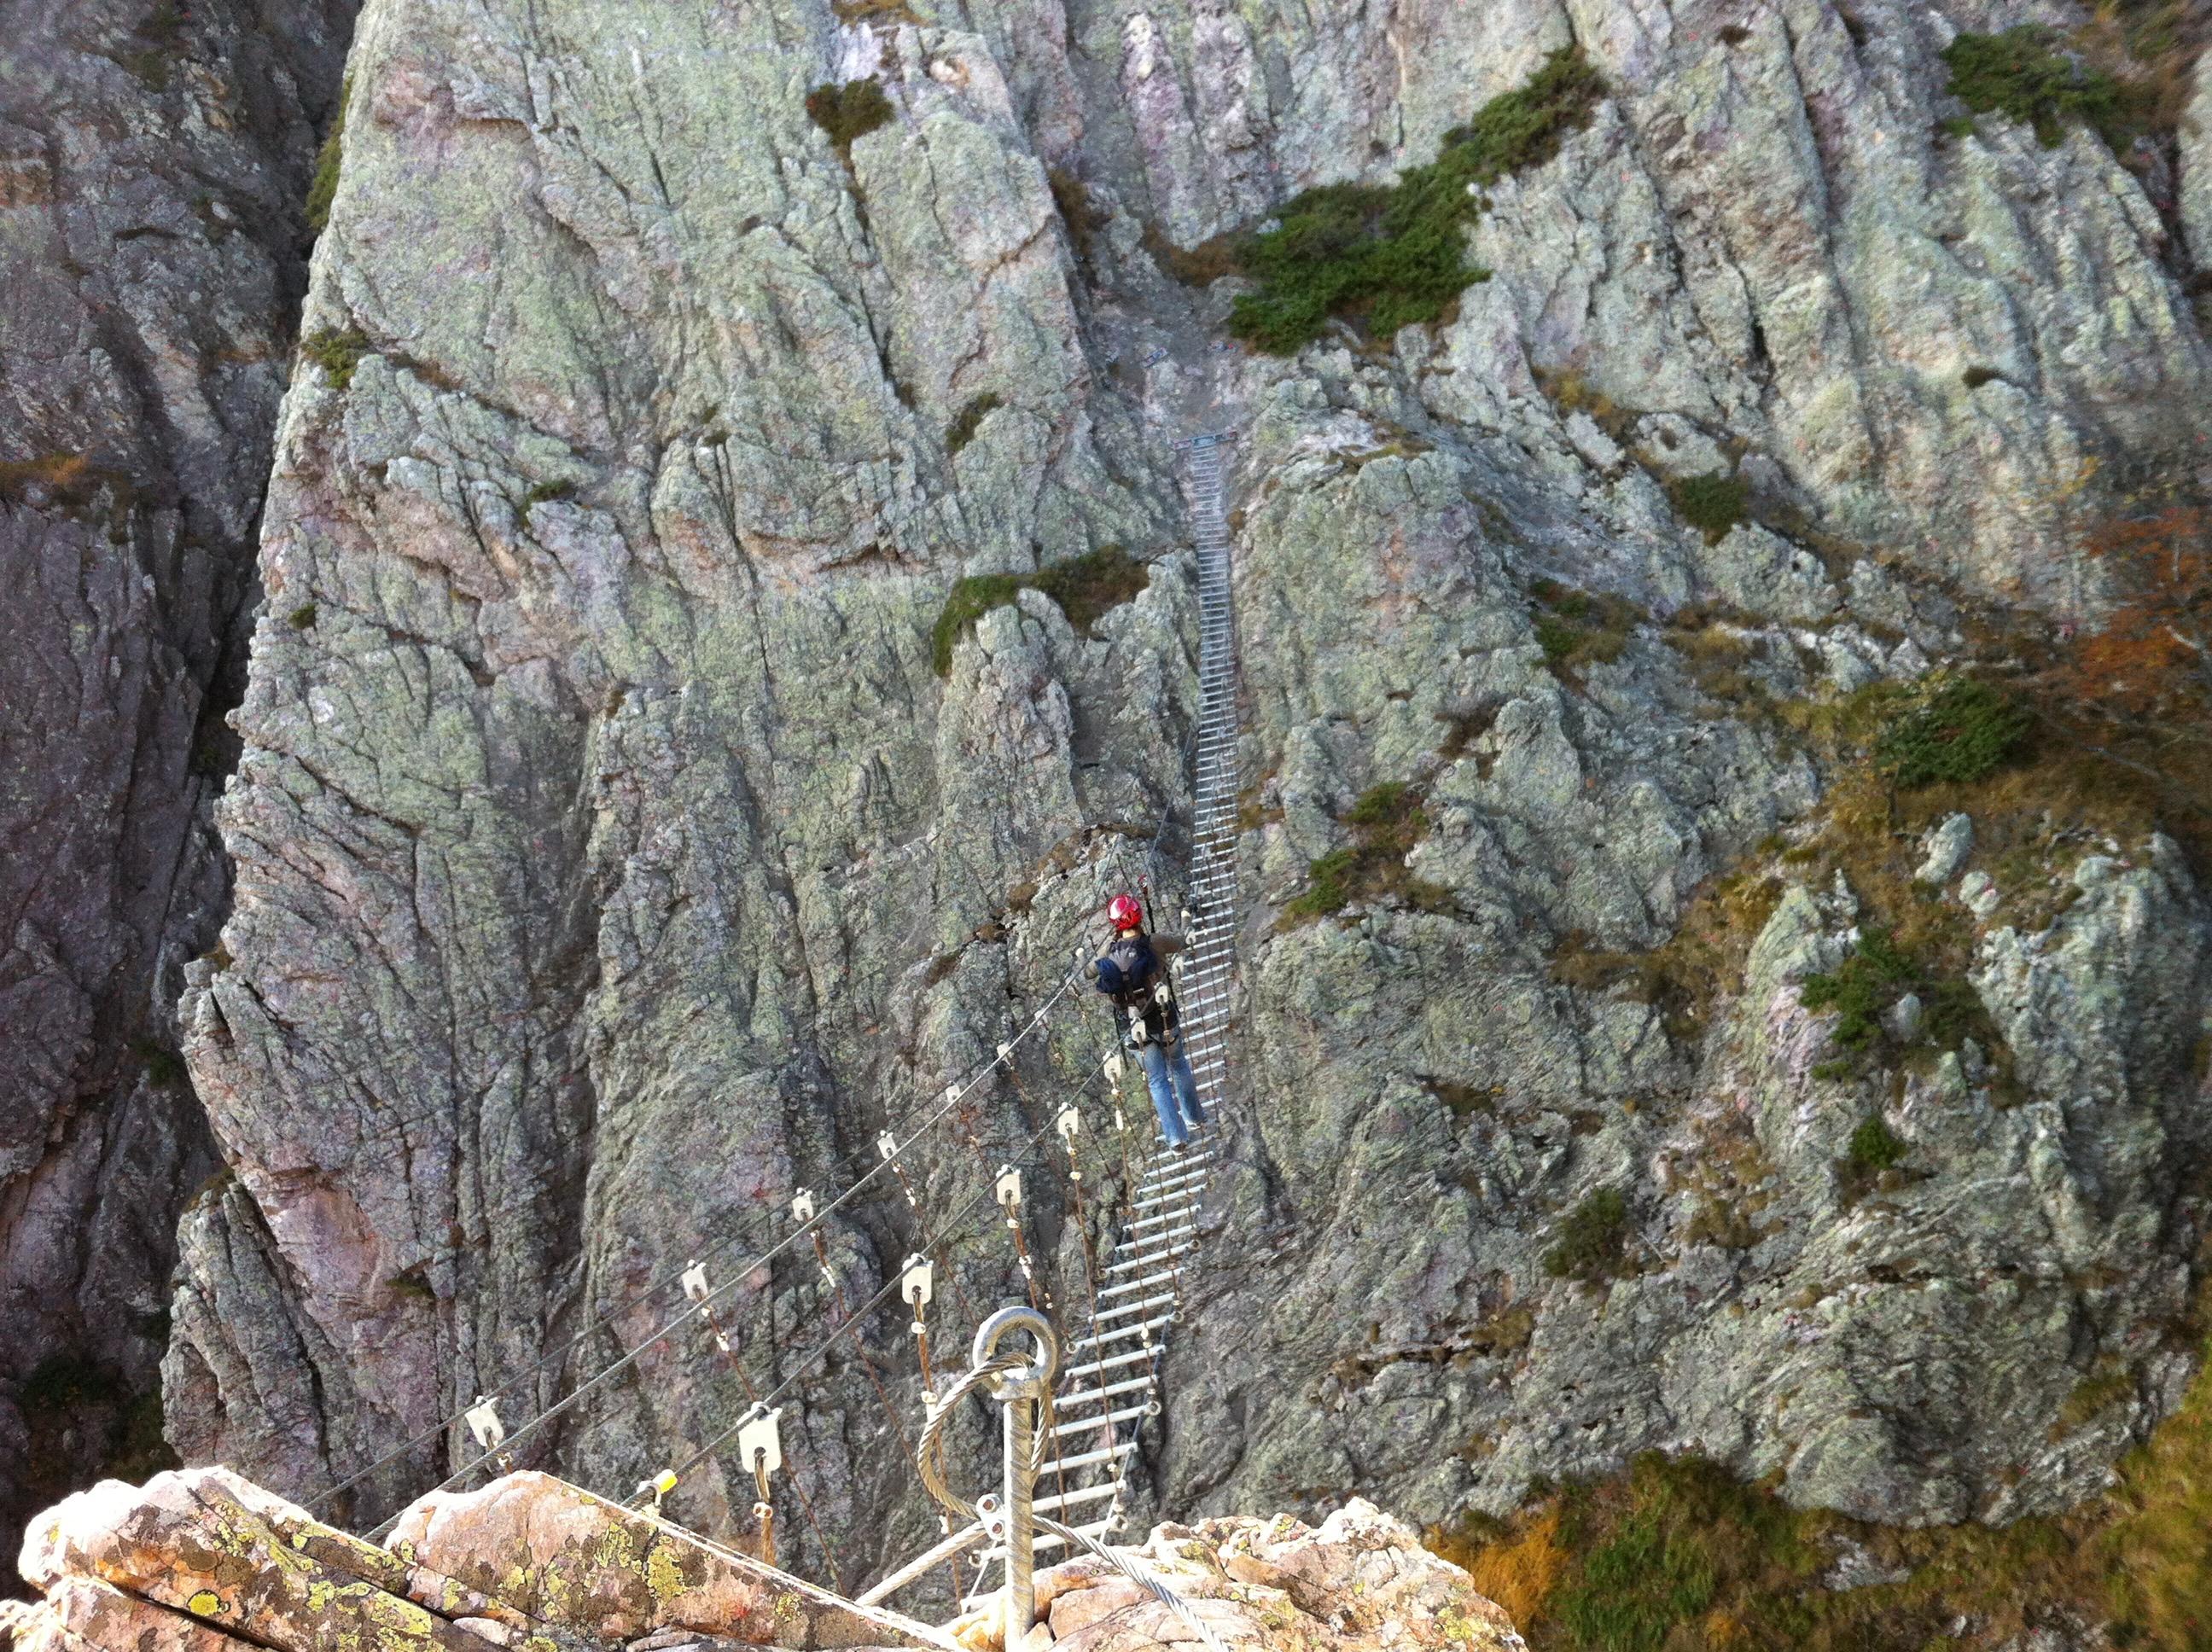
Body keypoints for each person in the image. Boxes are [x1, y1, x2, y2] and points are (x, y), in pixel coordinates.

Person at [1092, 893, 1207, 1149]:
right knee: (1178, 1065)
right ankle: (1195, 1118)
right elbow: (1183, 941)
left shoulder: (1107, 954)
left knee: (1156, 1081)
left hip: (1132, 1029)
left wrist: (1082, 958)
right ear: (1139, 916)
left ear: (1114, 923)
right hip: (1163, 1018)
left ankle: (1176, 1138)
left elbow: (1089, 972)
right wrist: (1186, 917)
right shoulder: (1154, 942)